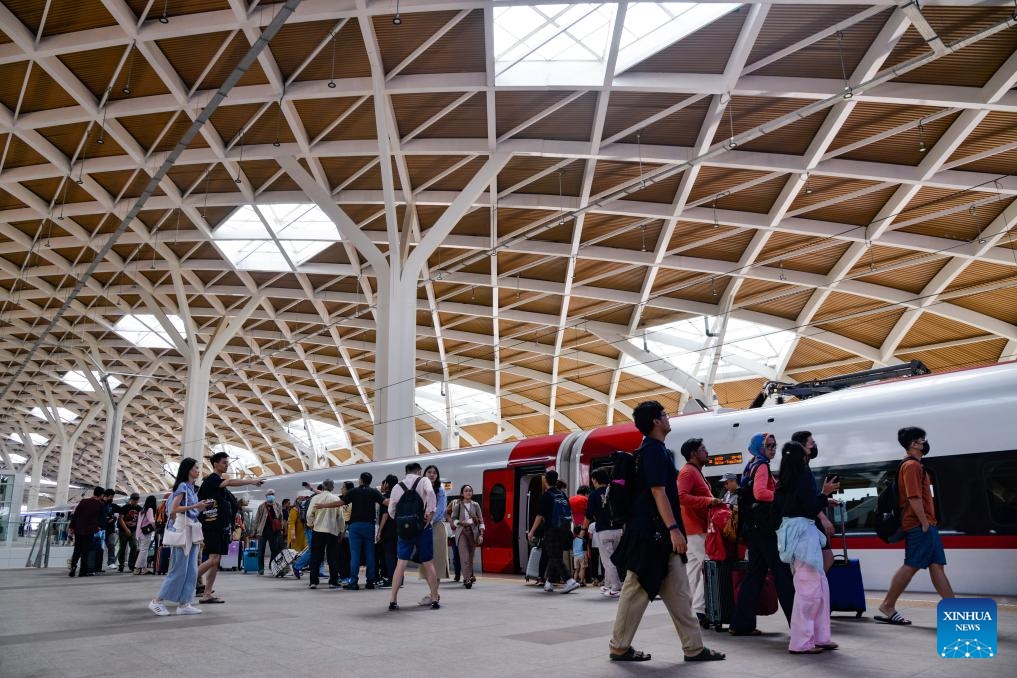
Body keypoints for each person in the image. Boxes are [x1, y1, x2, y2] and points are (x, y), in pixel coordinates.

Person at [607, 401, 725, 663]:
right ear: (656, 422)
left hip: (658, 537)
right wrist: (674, 529)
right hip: (653, 536)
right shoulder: (652, 452)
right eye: (664, 415)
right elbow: (658, 492)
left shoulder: (657, 451)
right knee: (635, 589)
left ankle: (694, 648)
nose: (668, 418)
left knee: (680, 593)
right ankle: (619, 646)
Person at [877, 426, 955, 626]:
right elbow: (913, 496)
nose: (925, 443)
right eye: (922, 440)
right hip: (919, 524)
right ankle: (887, 605)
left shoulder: (915, 465)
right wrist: (924, 523)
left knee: (936, 566)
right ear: (913, 444)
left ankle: (954, 609)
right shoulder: (912, 466)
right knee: (911, 565)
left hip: (926, 523)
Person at [775, 441, 841, 654]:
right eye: (806, 447)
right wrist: (824, 494)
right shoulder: (803, 475)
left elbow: (799, 505)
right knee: (809, 591)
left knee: (818, 587)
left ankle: (820, 637)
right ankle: (801, 642)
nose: (810, 449)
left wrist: (822, 499)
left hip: (800, 535)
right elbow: (809, 506)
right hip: (804, 537)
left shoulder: (787, 477)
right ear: (800, 456)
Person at [730, 433, 796, 636]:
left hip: (754, 529)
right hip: (766, 530)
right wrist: (782, 496)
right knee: (782, 574)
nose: (773, 449)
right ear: (759, 447)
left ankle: (741, 624)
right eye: (768, 445)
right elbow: (760, 493)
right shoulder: (763, 466)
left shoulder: (751, 464)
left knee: (754, 576)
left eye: (775, 445)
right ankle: (799, 624)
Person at [196, 451, 264, 603]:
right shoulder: (212, 479)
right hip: (211, 525)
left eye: (227, 463)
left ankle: (207, 593)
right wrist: (251, 481)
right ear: (215, 464)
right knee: (213, 559)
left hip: (220, 526)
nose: (227, 465)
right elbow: (229, 482)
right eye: (224, 463)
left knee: (216, 560)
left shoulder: (217, 483)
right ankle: (187, 581)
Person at [149, 458, 213, 616]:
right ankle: (157, 601)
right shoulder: (183, 486)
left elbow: (192, 511)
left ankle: (184, 603)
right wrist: (196, 506)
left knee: (191, 569)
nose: (198, 471)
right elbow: (173, 509)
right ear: (188, 470)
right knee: (179, 569)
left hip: (191, 531)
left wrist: (202, 508)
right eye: (196, 468)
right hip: (183, 531)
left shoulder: (191, 488)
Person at [677, 438, 724, 627]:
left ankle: (688, 610)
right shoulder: (688, 472)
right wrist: (708, 501)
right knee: (710, 565)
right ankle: (698, 609)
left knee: (694, 571)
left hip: (693, 528)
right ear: (693, 454)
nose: (707, 451)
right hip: (696, 528)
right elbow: (681, 497)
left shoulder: (694, 471)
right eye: (703, 449)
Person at [387, 462, 441, 611]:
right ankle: (435, 599)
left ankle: (393, 600)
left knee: (401, 564)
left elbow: (391, 509)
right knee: (428, 563)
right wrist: (430, 513)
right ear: (420, 471)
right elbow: (430, 493)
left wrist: (401, 520)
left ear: (405, 472)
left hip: (404, 529)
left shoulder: (397, 486)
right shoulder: (423, 480)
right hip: (422, 527)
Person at [526, 470, 580, 593]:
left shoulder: (546, 495)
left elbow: (539, 516)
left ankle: (569, 580)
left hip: (552, 529)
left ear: (546, 480)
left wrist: (532, 531)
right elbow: (569, 513)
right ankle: (549, 583)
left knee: (554, 555)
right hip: (564, 528)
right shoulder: (562, 494)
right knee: (555, 555)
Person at [791, 430, 836, 571]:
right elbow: (806, 500)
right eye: (811, 443)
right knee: (813, 564)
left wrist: (825, 499)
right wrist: (824, 518)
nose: (814, 445)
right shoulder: (799, 469)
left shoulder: (803, 467)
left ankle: (814, 589)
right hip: (807, 523)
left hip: (810, 521)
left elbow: (808, 495)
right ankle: (810, 590)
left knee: (825, 560)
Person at [582, 469, 624, 597]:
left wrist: (583, 530)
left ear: (595, 480)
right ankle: (607, 584)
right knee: (613, 559)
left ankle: (616, 587)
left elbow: (588, 515)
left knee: (607, 560)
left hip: (604, 531)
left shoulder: (594, 495)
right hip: (618, 530)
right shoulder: (615, 492)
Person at [341, 471, 387, 590]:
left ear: (361, 480)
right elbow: (385, 502)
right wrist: (400, 501)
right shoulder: (374, 492)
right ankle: (370, 581)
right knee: (370, 554)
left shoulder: (353, 491)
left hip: (355, 526)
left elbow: (341, 502)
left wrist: (324, 505)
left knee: (355, 554)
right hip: (369, 526)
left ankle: (354, 582)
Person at [305, 479, 344, 589]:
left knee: (315, 557)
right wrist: (341, 530)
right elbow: (340, 517)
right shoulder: (336, 499)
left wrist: (311, 525)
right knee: (332, 557)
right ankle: (333, 581)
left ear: (322, 486)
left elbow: (309, 514)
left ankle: (313, 582)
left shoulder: (315, 498)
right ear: (332, 488)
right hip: (332, 532)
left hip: (318, 531)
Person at [448, 484, 484, 589]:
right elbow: (453, 518)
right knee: (464, 557)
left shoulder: (476, 505)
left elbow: (481, 520)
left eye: (470, 491)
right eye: (466, 491)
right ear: (462, 493)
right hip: (461, 532)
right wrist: (460, 522)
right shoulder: (458, 505)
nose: (468, 492)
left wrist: (481, 534)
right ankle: (467, 579)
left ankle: (466, 577)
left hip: (473, 533)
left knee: (470, 557)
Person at [418, 465, 450, 581]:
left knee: (437, 561)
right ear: (424, 474)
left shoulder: (440, 489)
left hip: (437, 527)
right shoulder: (420, 489)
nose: (432, 474)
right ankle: (433, 593)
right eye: (429, 472)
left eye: (434, 473)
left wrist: (429, 520)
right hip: (424, 526)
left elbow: (441, 509)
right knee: (426, 561)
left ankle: (434, 594)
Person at [69, 487, 105, 577]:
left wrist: (72, 527)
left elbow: (75, 515)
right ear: (101, 495)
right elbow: (101, 519)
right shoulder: (100, 505)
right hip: (90, 530)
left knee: (77, 549)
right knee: (85, 551)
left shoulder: (83, 501)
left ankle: (73, 567)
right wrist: (99, 527)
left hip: (79, 529)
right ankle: (82, 571)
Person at [254, 489, 285, 574]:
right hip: (262, 532)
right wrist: (255, 530)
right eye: (269, 494)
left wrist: (281, 529)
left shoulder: (278, 505)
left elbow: (280, 518)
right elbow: (257, 519)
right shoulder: (261, 506)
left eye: (272, 494)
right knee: (261, 551)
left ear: (274, 495)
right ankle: (261, 569)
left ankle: (272, 566)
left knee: (274, 550)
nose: (271, 495)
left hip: (274, 532)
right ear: (266, 496)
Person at [376, 474, 399, 587]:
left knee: (389, 555)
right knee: (397, 556)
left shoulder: (386, 497)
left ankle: (391, 579)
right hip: (398, 530)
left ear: (387, 484)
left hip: (388, 530)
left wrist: (379, 531)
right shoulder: (398, 496)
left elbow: (385, 515)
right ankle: (399, 580)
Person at [116, 493, 143, 573]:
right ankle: (121, 564)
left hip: (133, 530)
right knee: (123, 547)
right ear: (130, 499)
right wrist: (126, 529)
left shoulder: (139, 509)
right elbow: (121, 519)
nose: (135, 501)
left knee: (134, 546)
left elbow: (140, 520)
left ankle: (131, 565)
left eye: (137, 499)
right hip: (123, 530)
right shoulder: (124, 508)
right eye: (134, 499)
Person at [134, 495, 158, 575]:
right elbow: (152, 521)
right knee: (143, 550)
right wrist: (156, 528)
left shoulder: (142, 510)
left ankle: (144, 569)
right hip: (146, 533)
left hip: (140, 533)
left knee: (144, 550)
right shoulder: (150, 509)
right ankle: (137, 568)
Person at [101, 488, 118, 569]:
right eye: (111, 496)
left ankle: (111, 561)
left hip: (111, 529)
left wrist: (113, 519)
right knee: (99, 548)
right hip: (101, 529)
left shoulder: (112, 506)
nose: (112, 498)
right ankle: (97, 564)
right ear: (106, 496)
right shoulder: (100, 505)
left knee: (111, 545)